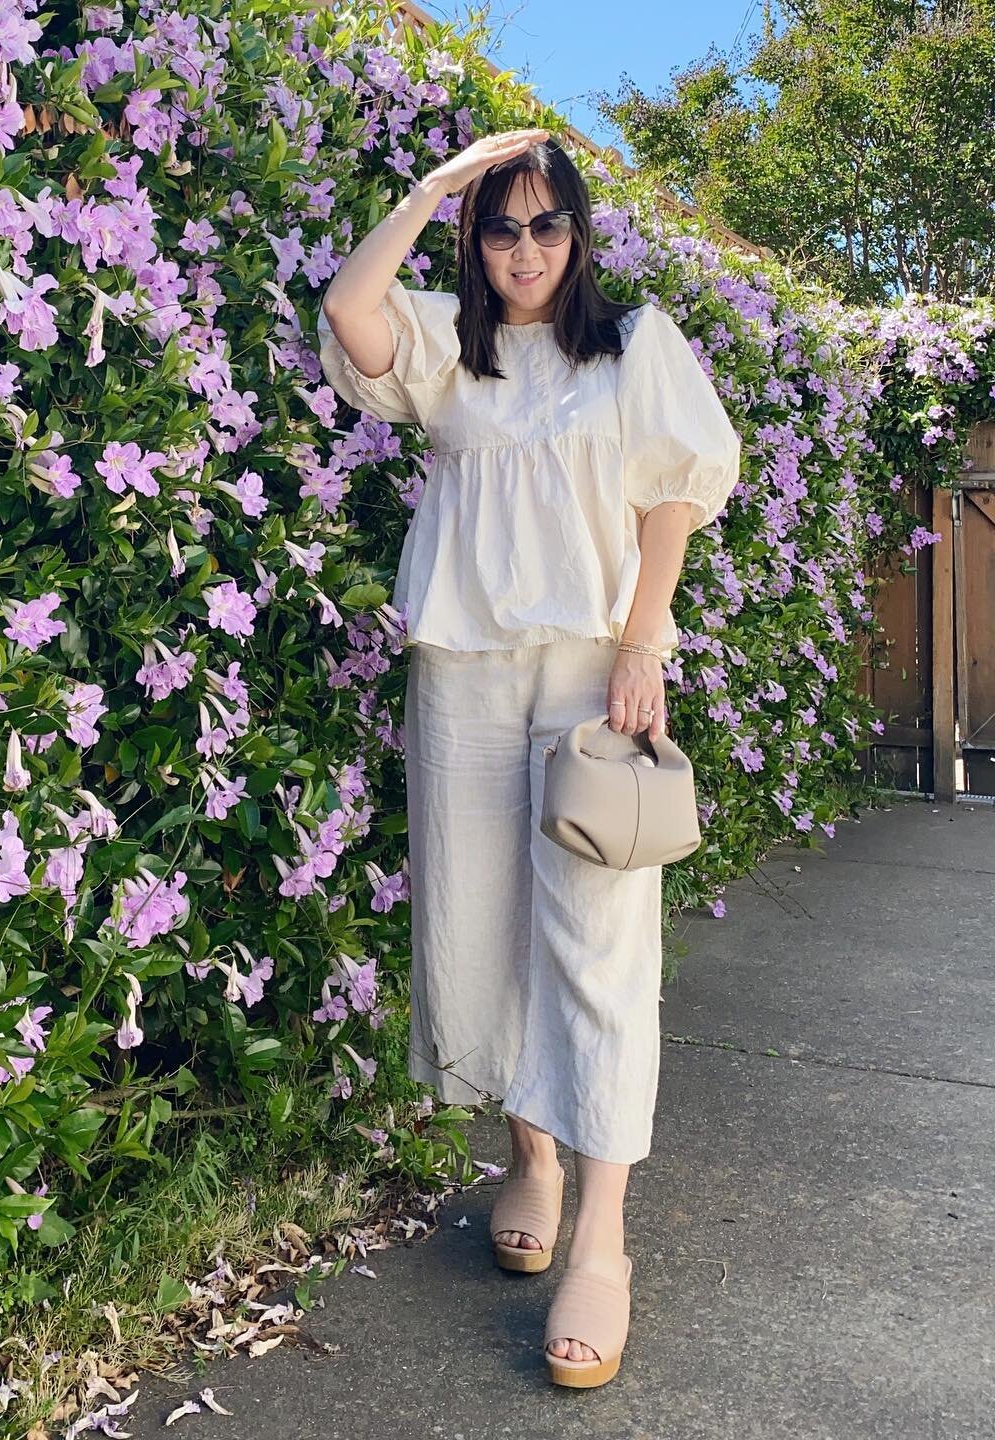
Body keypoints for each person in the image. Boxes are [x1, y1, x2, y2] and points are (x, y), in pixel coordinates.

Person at [316, 128, 742, 1389]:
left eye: (546, 225)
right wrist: (433, 188)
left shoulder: (634, 347)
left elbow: (674, 495)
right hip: (463, 674)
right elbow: (351, 308)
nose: (523, 251)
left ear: (580, 232)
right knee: (482, 921)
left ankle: (600, 1243)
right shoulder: (450, 350)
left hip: (588, 676)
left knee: (602, 943)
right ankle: (534, 1159)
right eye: (499, 227)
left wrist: (643, 638)